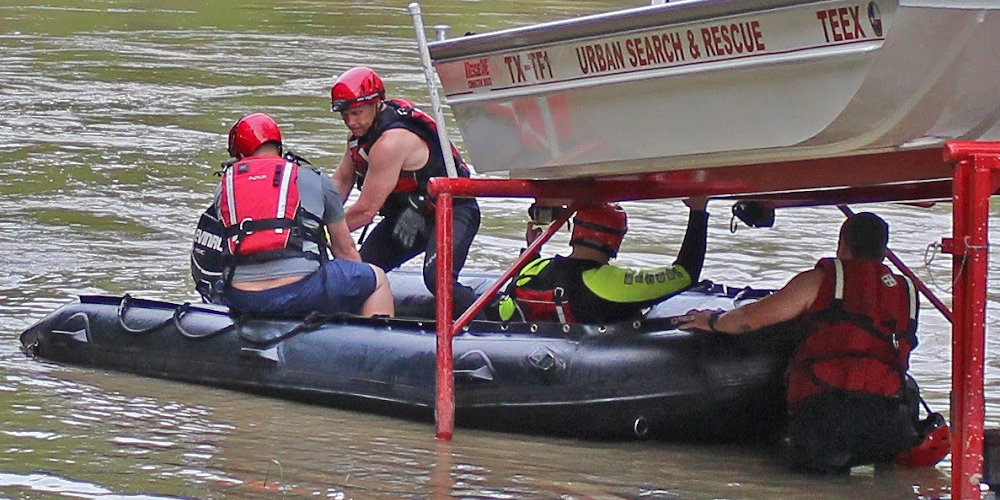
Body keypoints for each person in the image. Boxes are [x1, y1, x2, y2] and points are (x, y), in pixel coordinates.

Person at [678, 211, 922, 474]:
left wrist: (712, 321)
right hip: (890, 423)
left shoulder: (819, 281)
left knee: (810, 481)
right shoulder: (907, 291)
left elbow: (749, 318)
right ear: (883, 252)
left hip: (827, 421)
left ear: (843, 245)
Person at [191, 112, 394, 319]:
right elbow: (346, 251)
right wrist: (354, 294)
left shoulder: (224, 188)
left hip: (242, 296)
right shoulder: (317, 181)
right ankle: (375, 343)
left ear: (240, 155)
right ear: (278, 147)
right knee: (377, 280)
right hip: (302, 290)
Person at [328, 66, 480, 298]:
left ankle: (494, 310)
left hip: (451, 212)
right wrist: (312, 217)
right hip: (411, 216)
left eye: (357, 113)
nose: (351, 122)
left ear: (377, 103)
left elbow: (366, 210)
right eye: (345, 115)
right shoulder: (358, 137)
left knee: (438, 282)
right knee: (361, 272)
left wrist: (323, 234)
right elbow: (341, 181)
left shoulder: (391, 142)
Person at [503, 197, 712, 324]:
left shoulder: (533, 269)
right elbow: (686, 274)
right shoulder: (611, 285)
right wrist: (698, 211)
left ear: (575, 230)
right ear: (615, 241)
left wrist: (533, 247)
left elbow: (517, 279)